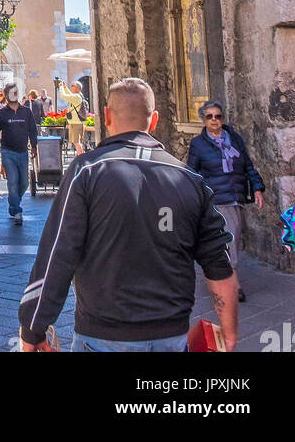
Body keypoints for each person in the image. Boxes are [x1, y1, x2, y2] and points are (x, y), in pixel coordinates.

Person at [18, 77, 238, 352]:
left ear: (107, 116)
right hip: (171, 334)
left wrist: (33, 328)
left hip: (103, 334)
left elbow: (57, 255)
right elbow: (219, 263)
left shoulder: (86, 172)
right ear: (154, 120)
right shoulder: (190, 180)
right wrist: (228, 333)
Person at [187, 101, 264, 303]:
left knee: (233, 240)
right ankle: (233, 284)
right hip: (215, 198)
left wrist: (257, 188)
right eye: (210, 116)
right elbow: (192, 172)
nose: (214, 120)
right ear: (204, 120)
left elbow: (248, 165)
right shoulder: (198, 144)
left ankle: (219, 276)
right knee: (229, 240)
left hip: (235, 196)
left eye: (218, 116)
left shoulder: (235, 139)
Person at [0, 84, 38, 223]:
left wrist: (34, 146)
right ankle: (17, 211)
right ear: (6, 94)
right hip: (7, 151)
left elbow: (32, 130)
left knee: (24, 183)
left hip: (23, 152)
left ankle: (13, 200)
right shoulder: (2, 113)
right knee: (12, 181)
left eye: (15, 92)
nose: (14, 94)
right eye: (11, 92)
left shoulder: (26, 112)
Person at [58, 79, 87, 154]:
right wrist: (65, 87)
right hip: (77, 122)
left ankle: (81, 159)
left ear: (77, 88)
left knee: (76, 142)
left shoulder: (76, 97)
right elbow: (70, 95)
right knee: (78, 142)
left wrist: (61, 87)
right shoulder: (78, 96)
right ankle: (80, 157)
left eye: (73, 85)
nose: (71, 86)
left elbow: (63, 96)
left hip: (76, 123)